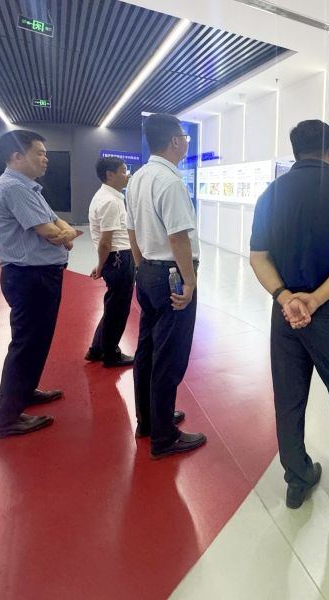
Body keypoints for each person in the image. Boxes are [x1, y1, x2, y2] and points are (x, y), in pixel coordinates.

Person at [249, 119, 329, 520]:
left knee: (288, 399)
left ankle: (297, 480)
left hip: (285, 316)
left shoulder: (271, 194)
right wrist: (316, 299)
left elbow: (258, 257)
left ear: (295, 151)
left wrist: (286, 298)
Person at [0, 130, 80, 440]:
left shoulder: (29, 187)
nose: (45, 159)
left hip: (36, 276)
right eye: (39, 153)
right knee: (26, 345)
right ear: (16, 156)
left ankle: (24, 392)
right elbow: (51, 232)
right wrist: (65, 236)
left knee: (36, 342)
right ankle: (5, 419)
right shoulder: (14, 187)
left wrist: (64, 234)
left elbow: (59, 223)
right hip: (30, 277)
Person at [126, 113, 206, 459]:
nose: (186, 143)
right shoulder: (170, 181)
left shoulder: (139, 178)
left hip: (147, 271)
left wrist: (141, 266)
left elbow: (131, 229)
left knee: (147, 350)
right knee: (169, 357)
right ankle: (164, 437)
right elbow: (178, 237)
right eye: (184, 137)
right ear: (175, 141)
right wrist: (189, 281)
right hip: (172, 275)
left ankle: (149, 419)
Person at [84, 156, 135, 367]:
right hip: (119, 258)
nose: (127, 175)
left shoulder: (107, 197)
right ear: (110, 175)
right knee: (118, 310)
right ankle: (111, 354)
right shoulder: (110, 201)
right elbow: (105, 242)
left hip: (115, 258)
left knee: (113, 306)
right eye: (123, 171)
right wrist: (101, 264)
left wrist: (101, 264)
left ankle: (97, 349)